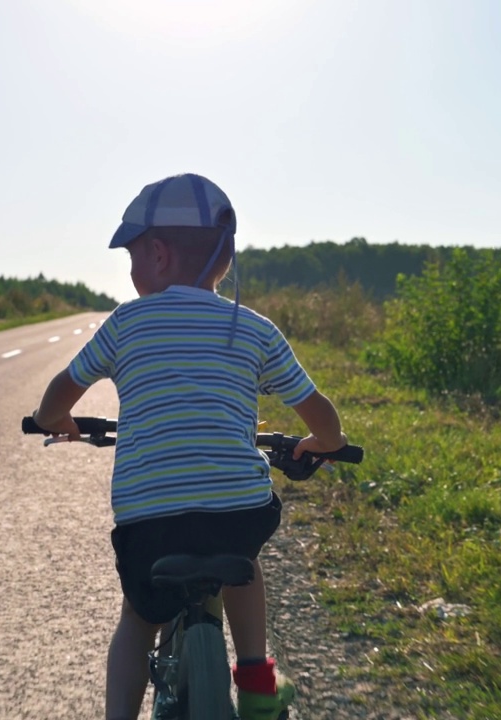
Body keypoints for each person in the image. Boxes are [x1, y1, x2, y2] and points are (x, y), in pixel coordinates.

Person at [30, 173, 347, 720]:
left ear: (156, 254)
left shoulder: (126, 324)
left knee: (136, 619)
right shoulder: (253, 329)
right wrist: (327, 441)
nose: (130, 272)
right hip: (236, 514)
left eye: (130, 257)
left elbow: (64, 387)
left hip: (149, 520)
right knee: (243, 566)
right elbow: (317, 408)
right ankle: (255, 688)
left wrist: (52, 418)